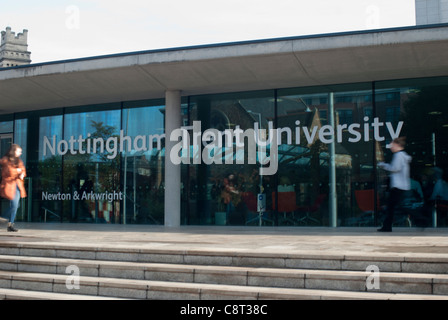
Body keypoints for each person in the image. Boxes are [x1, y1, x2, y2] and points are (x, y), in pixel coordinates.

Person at [377, 137, 412, 232]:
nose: (391, 147)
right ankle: (387, 226)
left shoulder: (398, 156)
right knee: (394, 206)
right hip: (402, 185)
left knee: (391, 207)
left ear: (398, 145)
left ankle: (387, 226)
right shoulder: (403, 156)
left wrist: (383, 165)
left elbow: (395, 168)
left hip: (397, 186)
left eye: (392, 145)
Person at [0, 144, 27, 232]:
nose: (20, 153)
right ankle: (3, 217)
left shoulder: (18, 161)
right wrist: (17, 171)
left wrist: (22, 173)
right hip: (9, 184)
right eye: (19, 151)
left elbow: (23, 169)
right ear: (14, 151)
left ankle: (10, 224)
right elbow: (8, 172)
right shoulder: (5, 160)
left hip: (17, 185)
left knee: (16, 205)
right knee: (15, 205)